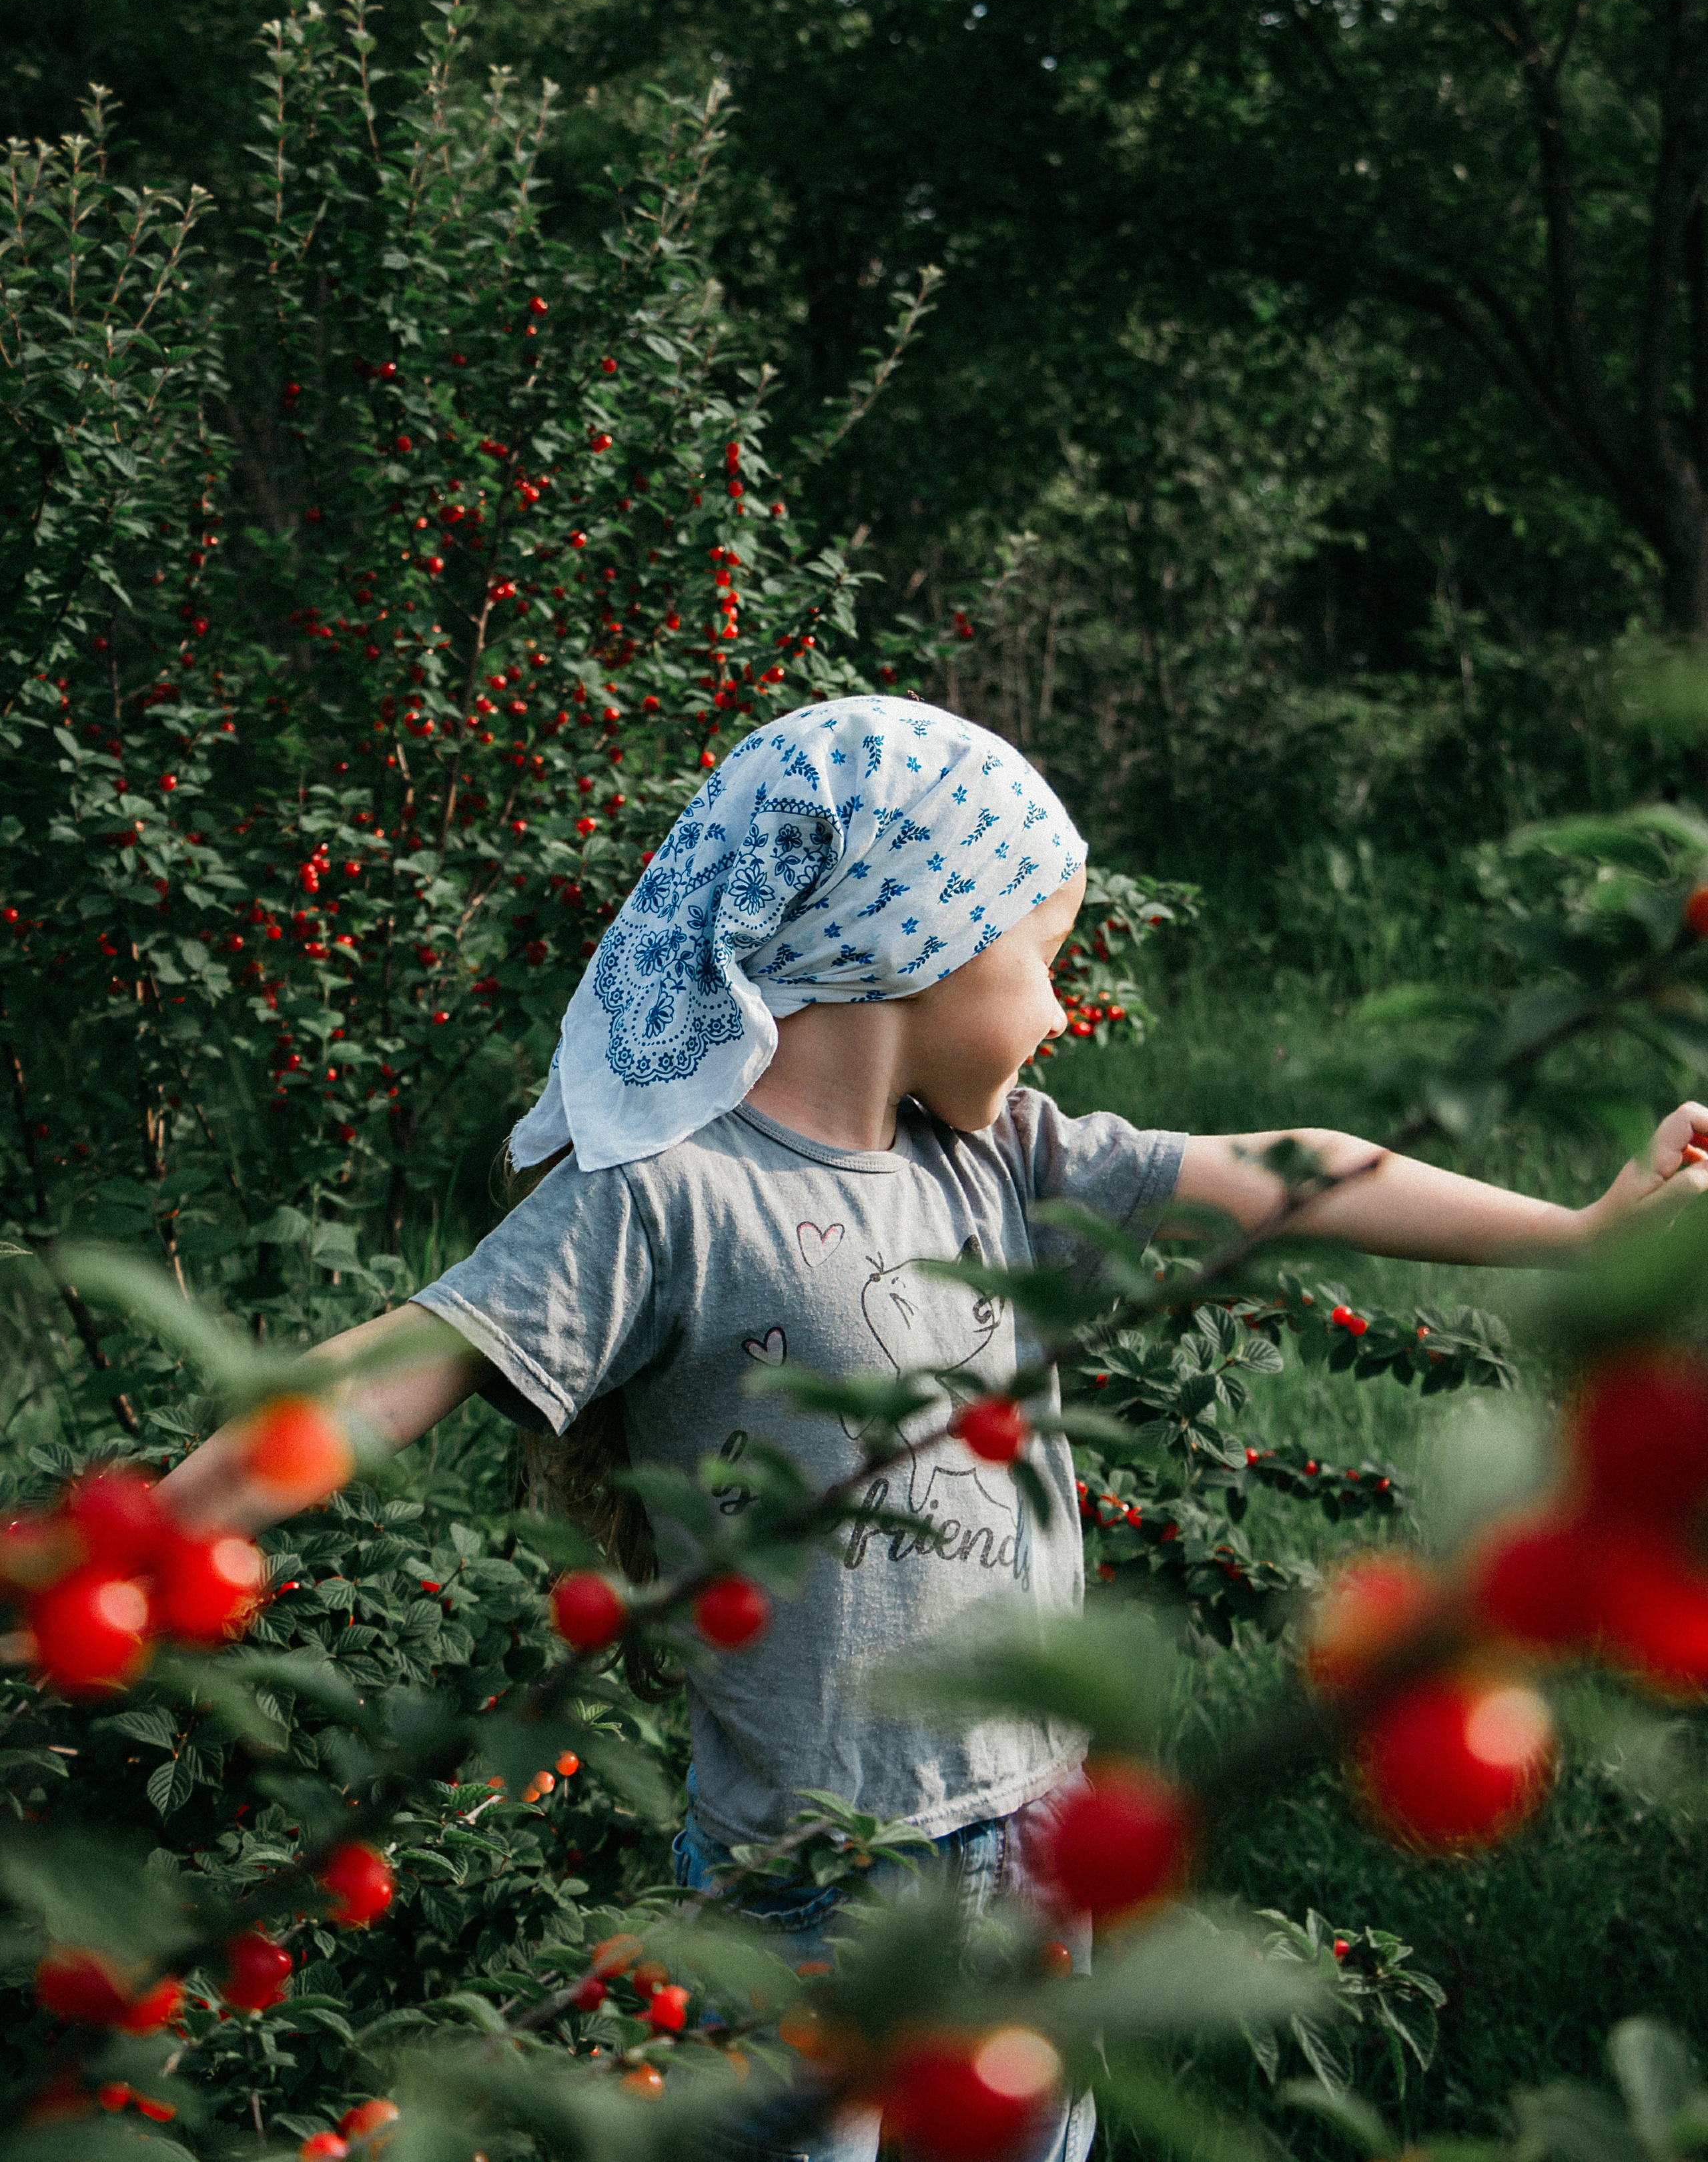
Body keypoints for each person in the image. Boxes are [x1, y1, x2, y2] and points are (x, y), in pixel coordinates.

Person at [160, 695, 1708, 2162]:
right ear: (915, 939)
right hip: (811, 1865)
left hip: (1036, 1832)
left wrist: (1574, 1235)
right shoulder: (666, 1196)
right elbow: (399, 1366)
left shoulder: (988, 1157)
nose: (1059, 1012)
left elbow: (1270, 1167)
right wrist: (153, 1542)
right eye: (1043, 958)